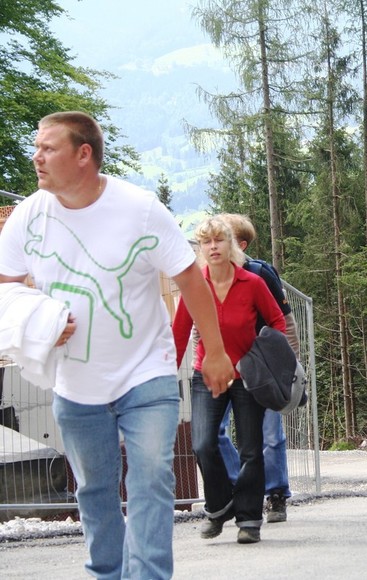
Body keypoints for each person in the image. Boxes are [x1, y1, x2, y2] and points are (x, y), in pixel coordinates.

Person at [0, 111, 235, 579]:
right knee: (94, 489)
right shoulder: (30, 213)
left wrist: (216, 351)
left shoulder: (139, 208)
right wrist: (36, 320)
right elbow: (5, 284)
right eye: (37, 147)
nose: (36, 157)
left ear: (83, 154)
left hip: (145, 374)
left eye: (48, 148)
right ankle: (105, 573)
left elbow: (189, 276)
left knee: (151, 478)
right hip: (74, 382)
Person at [172, 216, 286, 545]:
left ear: (231, 245)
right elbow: (179, 333)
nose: (212, 247)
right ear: (200, 249)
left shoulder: (252, 282)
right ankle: (220, 507)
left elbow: (277, 322)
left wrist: (271, 362)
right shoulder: (196, 285)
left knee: (252, 449)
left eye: (218, 241)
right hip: (206, 374)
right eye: (205, 242)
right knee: (203, 444)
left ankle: (249, 519)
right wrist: (165, 376)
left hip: (249, 378)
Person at [215, 213, 301, 523]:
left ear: (240, 244)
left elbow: (285, 321)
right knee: (214, 432)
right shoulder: (208, 276)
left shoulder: (261, 274)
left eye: (222, 239)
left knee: (269, 433)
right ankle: (244, 488)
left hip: (263, 366)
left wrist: (290, 367)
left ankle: (276, 494)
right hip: (224, 365)